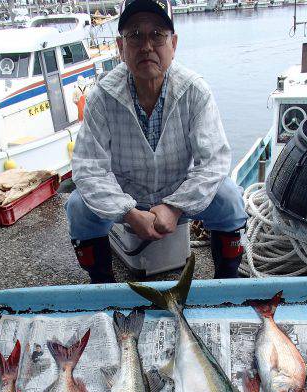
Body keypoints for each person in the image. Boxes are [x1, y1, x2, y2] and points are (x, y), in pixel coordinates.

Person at [66, 0, 247, 283]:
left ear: (173, 44)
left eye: (157, 35)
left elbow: (214, 162)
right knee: (78, 207)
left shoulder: (194, 91)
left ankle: (227, 279)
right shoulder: (102, 96)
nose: (146, 46)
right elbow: (88, 169)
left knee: (229, 199)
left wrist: (175, 206)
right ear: (120, 47)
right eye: (135, 35)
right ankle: (101, 284)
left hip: (178, 195)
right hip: (125, 196)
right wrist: (127, 212)